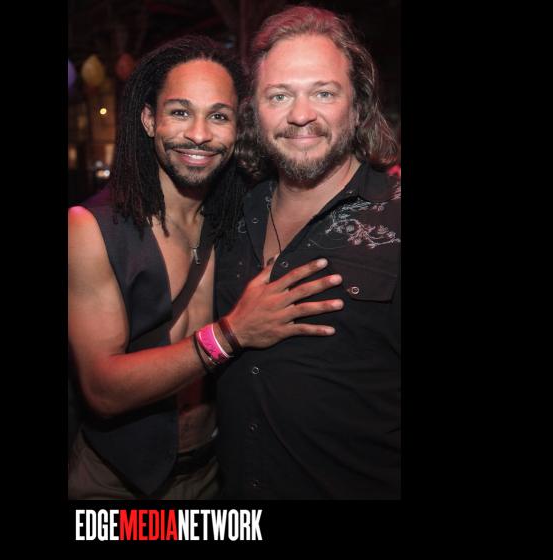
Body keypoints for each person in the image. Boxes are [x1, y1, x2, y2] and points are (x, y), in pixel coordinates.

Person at [67, 35, 345, 500]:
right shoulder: (91, 229)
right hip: (117, 482)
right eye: (180, 112)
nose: (199, 134)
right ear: (149, 120)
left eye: (218, 116)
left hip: (219, 471)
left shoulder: (242, 216)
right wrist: (232, 333)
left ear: (238, 127)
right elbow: (103, 391)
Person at [214, 6, 401, 499]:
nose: (300, 115)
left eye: (323, 93)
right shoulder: (230, 213)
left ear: (357, 105)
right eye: (279, 95)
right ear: (253, 112)